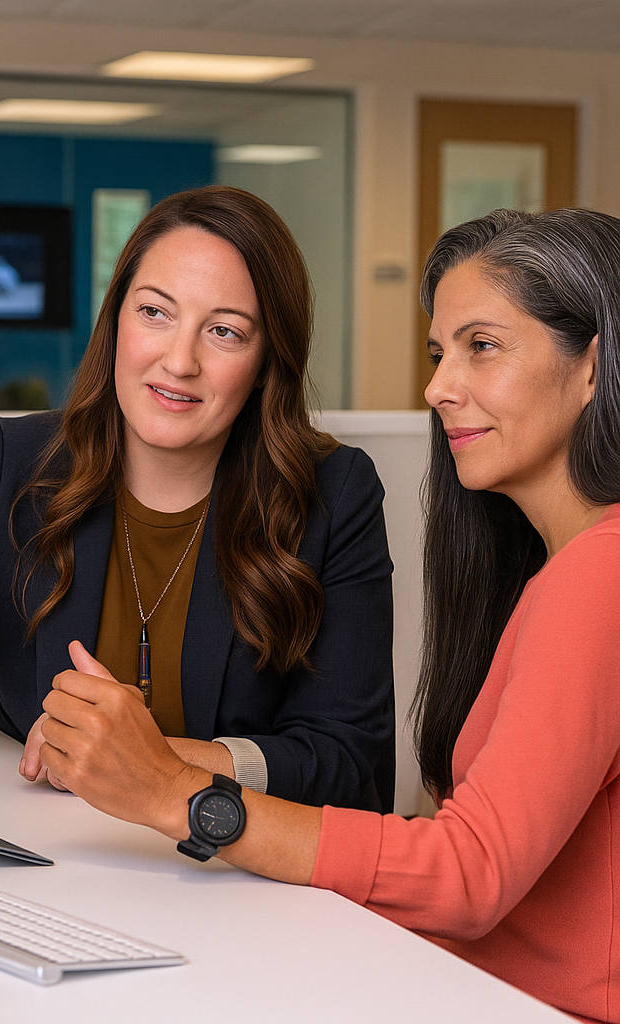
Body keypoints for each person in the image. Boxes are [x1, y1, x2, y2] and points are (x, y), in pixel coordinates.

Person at [37, 206, 620, 1023]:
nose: (438, 386)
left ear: (594, 364)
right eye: (438, 351)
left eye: (481, 346)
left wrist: (179, 794)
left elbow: (470, 875)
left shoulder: (601, 575)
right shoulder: (563, 565)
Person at [0, 185, 396, 811]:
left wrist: (143, 759)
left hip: (236, 874)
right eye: (154, 313)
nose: (179, 360)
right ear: (116, 321)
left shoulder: (332, 496)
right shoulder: (12, 462)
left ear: (268, 360)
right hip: (50, 853)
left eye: (224, 332)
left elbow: (350, 763)